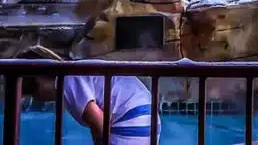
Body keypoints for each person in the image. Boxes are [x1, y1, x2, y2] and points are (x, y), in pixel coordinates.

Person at [19, 46, 159, 144]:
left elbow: (99, 122)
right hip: (146, 121)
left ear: (38, 80)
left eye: (31, 94)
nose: (37, 99)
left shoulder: (66, 80)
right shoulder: (74, 72)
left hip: (130, 122)